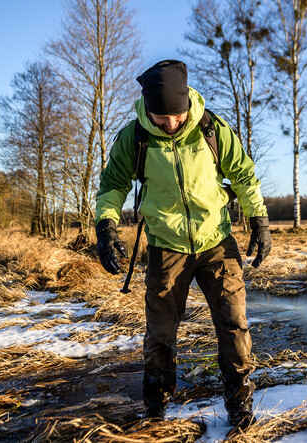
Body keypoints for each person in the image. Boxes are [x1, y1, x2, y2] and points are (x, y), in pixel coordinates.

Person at [93, 60, 271, 429]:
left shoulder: (211, 128)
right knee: (160, 332)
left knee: (234, 322)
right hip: (166, 246)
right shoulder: (135, 137)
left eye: (178, 115)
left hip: (216, 241)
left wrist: (260, 220)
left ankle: (239, 402)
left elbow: (243, 174)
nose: (172, 123)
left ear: (187, 102)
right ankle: (156, 406)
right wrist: (106, 226)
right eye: (162, 117)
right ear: (148, 109)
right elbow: (112, 185)